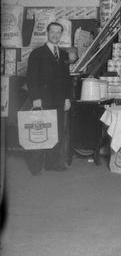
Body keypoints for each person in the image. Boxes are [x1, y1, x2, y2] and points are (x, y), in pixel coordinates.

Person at [25, 21, 71, 175]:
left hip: (58, 100)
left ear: (61, 34)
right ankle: (35, 166)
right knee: (39, 132)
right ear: (47, 32)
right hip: (42, 100)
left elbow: (67, 79)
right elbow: (32, 78)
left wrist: (67, 98)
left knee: (55, 132)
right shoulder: (37, 53)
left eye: (58, 32)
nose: (55, 35)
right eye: (53, 32)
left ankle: (52, 163)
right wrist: (35, 98)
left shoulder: (64, 54)